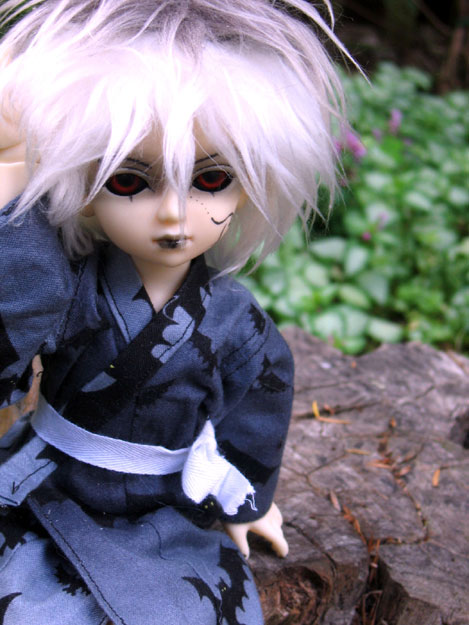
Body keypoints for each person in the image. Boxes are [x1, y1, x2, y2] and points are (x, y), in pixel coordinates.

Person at [0, 1, 348, 623]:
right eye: (128, 181)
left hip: (162, 507)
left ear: (249, 188)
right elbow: (15, 317)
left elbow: (257, 411)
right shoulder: (66, 289)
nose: (173, 214)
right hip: (45, 482)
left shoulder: (236, 323)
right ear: (83, 189)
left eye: (210, 180)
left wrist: (246, 501)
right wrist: (12, 181)